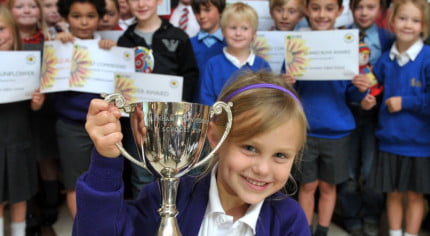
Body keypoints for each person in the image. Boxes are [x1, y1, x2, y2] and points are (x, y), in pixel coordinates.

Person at [73, 70, 311, 235]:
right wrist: (106, 162)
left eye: (281, 155)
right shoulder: (168, 197)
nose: (262, 169)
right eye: (249, 148)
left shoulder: (289, 220)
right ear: (215, 138)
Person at [281, 0, 370, 235]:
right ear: (307, 10)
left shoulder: (347, 45)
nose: (322, 14)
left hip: (337, 132)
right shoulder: (297, 44)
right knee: (307, 185)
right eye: (316, 8)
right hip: (305, 130)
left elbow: (351, 92)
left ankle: (322, 231)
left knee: (329, 187)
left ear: (340, 12)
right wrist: (286, 82)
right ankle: (303, 230)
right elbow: (286, 89)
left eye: (329, 8)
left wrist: (361, 87)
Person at [117, 0, 199, 197]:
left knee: (174, 174)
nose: (141, 4)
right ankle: (145, 225)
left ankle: (173, 223)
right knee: (141, 175)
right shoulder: (125, 40)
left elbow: (190, 73)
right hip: (137, 122)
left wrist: (180, 105)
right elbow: (120, 81)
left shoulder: (178, 36)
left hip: (171, 121)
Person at [363, 0, 430, 235]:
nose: (408, 25)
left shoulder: (428, 58)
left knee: (414, 196)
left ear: (424, 26)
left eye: (415, 20)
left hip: (419, 144)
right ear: (392, 21)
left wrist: (405, 102)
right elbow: (372, 86)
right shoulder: (386, 59)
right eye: (402, 18)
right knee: (392, 193)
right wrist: (368, 98)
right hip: (389, 141)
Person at [53, 0, 117, 218]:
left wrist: (112, 52)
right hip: (72, 126)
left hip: (106, 124)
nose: (83, 22)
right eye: (76, 16)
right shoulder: (59, 46)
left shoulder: (108, 47)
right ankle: (81, 228)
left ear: (99, 18)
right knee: (74, 181)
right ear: (66, 18)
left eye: (90, 16)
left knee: (106, 177)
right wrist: (59, 45)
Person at [337, 0, 395, 234]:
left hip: (376, 114)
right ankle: (351, 215)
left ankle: (371, 214)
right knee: (348, 172)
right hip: (347, 111)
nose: (364, 12)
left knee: (371, 170)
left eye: (370, 7)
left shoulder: (388, 39)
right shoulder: (341, 35)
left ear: (380, 10)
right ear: (351, 8)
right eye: (359, 6)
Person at [0, 5, 45, 236]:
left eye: (1, 30)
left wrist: (37, 102)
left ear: (13, 31)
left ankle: (19, 232)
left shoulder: (27, 60)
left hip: (19, 138)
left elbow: (34, 107)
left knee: (20, 194)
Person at [197, 2, 271, 106]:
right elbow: (206, 99)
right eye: (233, 27)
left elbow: (269, 99)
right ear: (222, 32)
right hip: (220, 121)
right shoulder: (213, 64)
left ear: (254, 34)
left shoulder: (263, 65)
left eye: (244, 28)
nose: (238, 33)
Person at [190, 0, 226, 80]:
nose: (201, 16)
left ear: (221, 11)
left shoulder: (231, 44)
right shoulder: (189, 44)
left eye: (207, 10)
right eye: (197, 11)